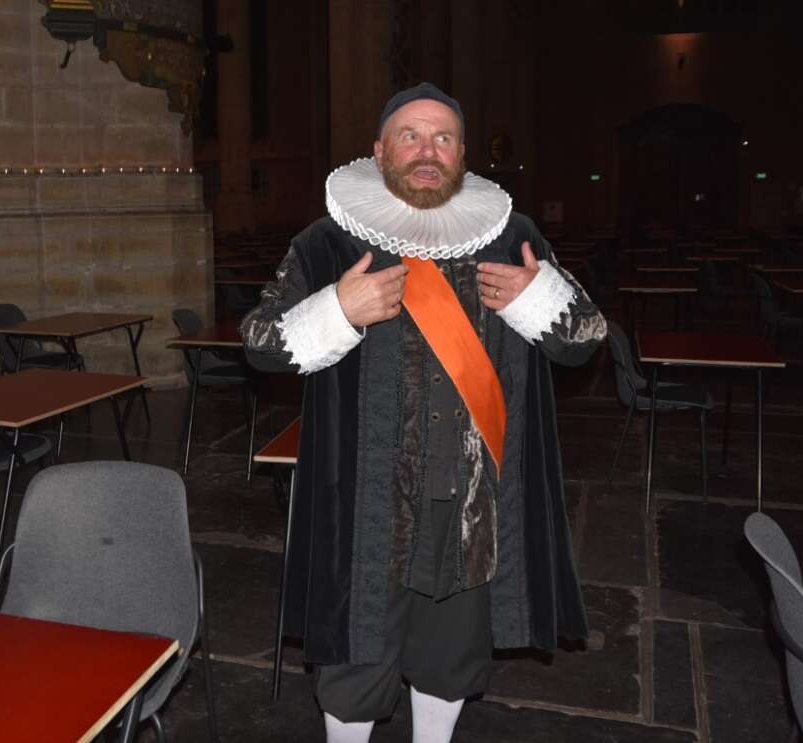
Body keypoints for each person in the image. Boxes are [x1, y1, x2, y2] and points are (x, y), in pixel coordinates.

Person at [241, 82, 607, 743]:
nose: (427, 151)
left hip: (471, 502)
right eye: (410, 136)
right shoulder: (328, 242)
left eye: (443, 138)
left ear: (462, 154)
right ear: (380, 150)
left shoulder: (513, 237)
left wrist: (538, 296)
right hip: (362, 504)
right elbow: (259, 342)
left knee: (450, 658)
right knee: (355, 665)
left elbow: (586, 338)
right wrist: (338, 309)